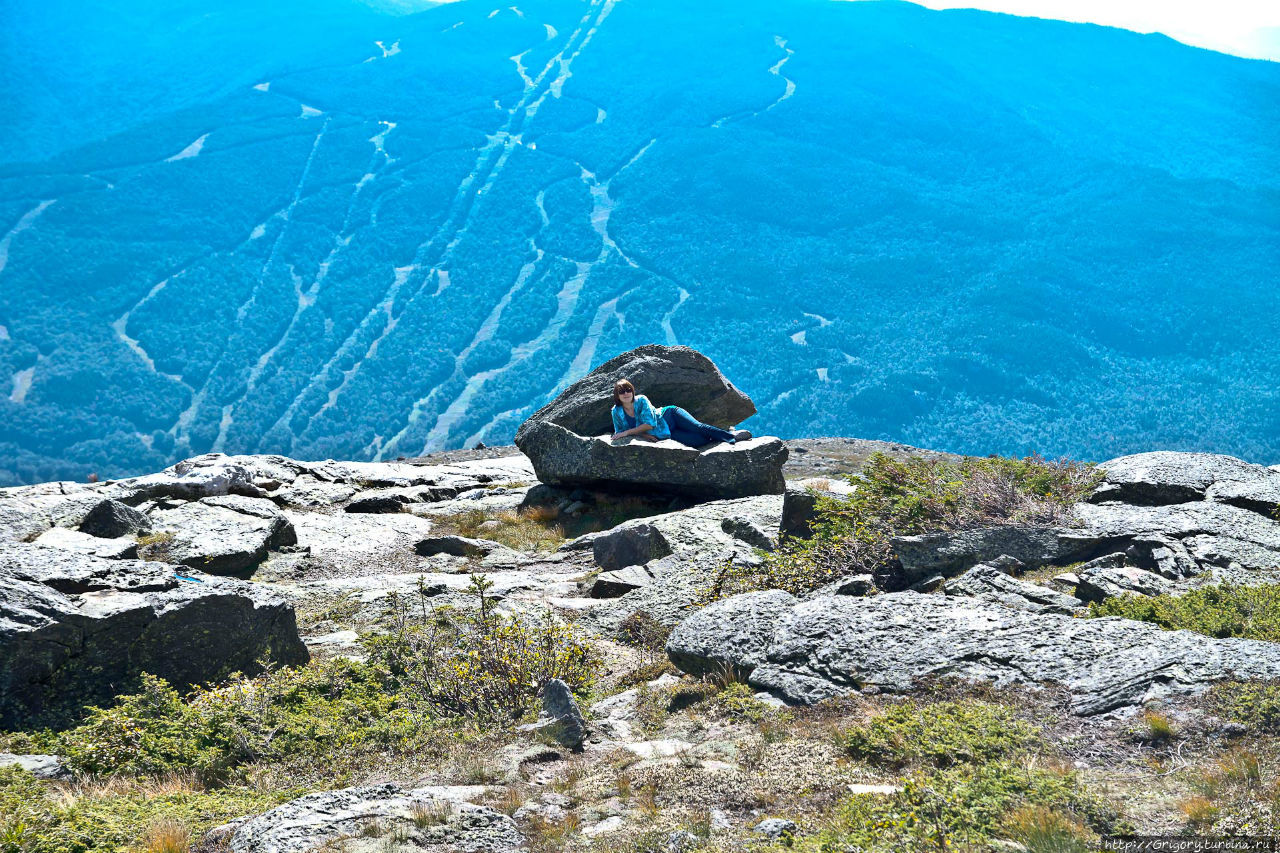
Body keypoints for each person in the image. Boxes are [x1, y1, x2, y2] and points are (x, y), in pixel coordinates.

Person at [609, 379, 745, 448]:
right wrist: (643, 435)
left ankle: (731, 436)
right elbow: (619, 431)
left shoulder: (642, 400)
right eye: (622, 391)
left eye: (628, 390)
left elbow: (649, 424)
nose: (626, 393)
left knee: (698, 427)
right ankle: (721, 434)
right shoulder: (616, 412)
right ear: (617, 395)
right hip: (665, 432)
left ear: (632, 391)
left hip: (670, 416)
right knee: (700, 441)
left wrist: (629, 433)